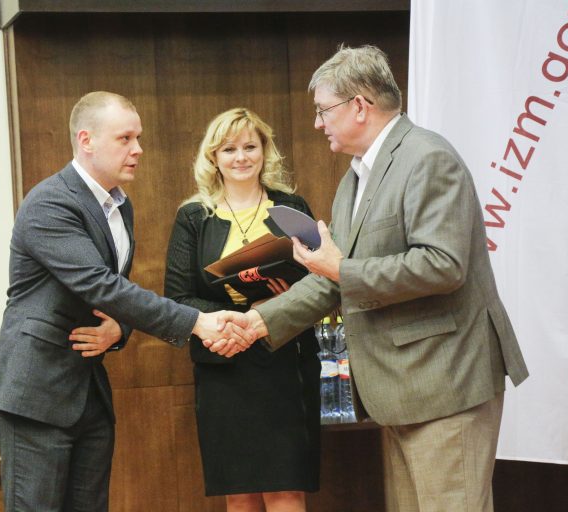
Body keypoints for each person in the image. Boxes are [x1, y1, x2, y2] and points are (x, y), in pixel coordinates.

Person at [209, 46, 530, 512]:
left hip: (445, 383)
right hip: (401, 390)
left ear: (359, 106)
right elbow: (333, 278)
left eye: (324, 110)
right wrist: (258, 322)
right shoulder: (356, 176)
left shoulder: (427, 158)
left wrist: (340, 269)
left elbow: (442, 264)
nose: (317, 122)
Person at [0, 92, 253, 512]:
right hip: (36, 394)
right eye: (125, 138)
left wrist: (120, 328)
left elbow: (114, 294)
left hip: (89, 395)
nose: (138, 149)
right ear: (86, 140)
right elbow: (100, 285)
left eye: (138, 137)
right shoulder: (50, 202)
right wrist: (197, 322)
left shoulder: (119, 206)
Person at [164, 108, 320, 512]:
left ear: (264, 151)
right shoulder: (194, 216)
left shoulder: (291, 207)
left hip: (283, 360)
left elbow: (321, 281)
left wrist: (276, 305)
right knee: (240, 493)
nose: (241, 157)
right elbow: (178, 297)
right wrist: (236, 321)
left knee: (286, 488)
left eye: (250, 146)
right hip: (224, 363)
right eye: (229, 149)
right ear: (213, 157)